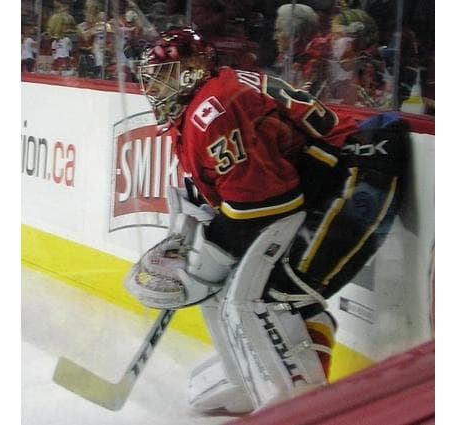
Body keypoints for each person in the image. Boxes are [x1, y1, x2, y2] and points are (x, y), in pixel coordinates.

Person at [126, 27, 408, 413]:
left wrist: (204, 257)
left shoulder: (213, 109)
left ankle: (305, 407)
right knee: (236, 286)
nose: (154, 89)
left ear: (191, 72)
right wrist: (197, 243)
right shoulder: (202, 106)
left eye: (164, 77)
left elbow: (266, 204)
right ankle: (249, 379)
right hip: (331, 179)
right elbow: (237, 194)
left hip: (358, 175)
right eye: (152, 79)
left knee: (271, 296)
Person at [272, 3, 329, 97]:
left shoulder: (312, 64)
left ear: (296, 36)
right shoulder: (284, 57)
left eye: (279, 31)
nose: (275, 37)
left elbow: (300, 98)